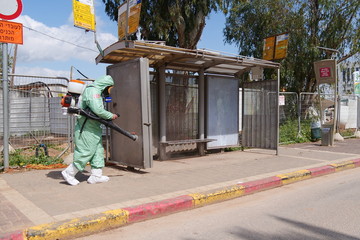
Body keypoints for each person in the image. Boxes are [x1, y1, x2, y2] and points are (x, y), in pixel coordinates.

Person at [62, 75, 118, 185]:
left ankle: (96, 176)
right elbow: (97, 110)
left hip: (93, 128)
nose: (109, 91)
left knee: (97, 151)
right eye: (109, 88)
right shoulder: (93, 91)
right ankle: (69, 173)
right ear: (105, 86)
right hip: (86, 128)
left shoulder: (94, 91)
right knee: (85, 151)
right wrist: (110, 115)